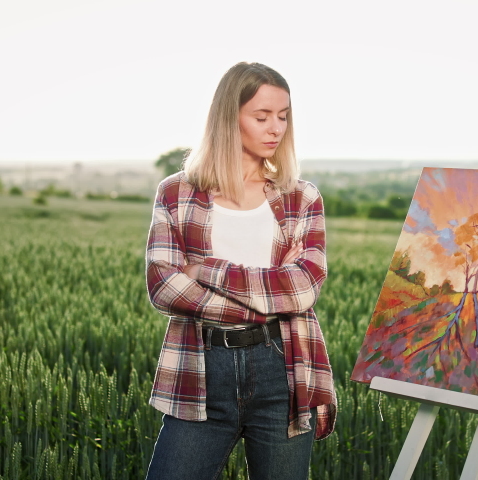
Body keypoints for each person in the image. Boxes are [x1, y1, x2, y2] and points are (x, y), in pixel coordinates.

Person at [143, 62, 337, 480]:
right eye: (262, 116)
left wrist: (206, 270)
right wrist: (268, 303)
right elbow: (163, 287)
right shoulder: (176, 193)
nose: (276, 128)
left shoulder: (301, 198)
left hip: (281, 371)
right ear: (228, 118)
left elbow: (303, 289)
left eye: (283, 116)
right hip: (200, 369)